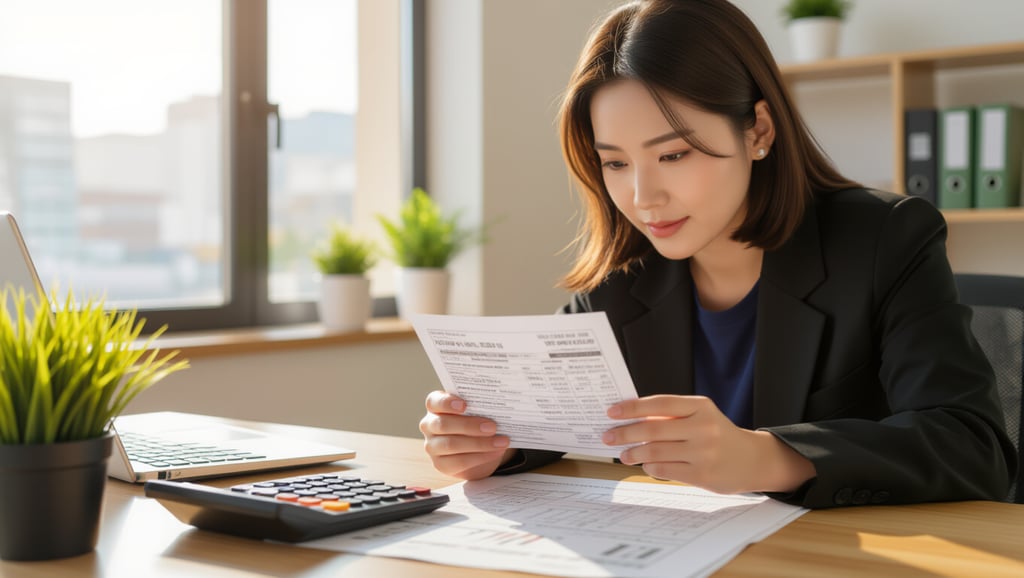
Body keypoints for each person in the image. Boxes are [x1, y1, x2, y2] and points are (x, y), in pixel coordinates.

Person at [419, 0, 1017, 508]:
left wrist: (769, 457)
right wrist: (491, 443)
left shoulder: (886, 239)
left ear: (757, 130)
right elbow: (553, 419)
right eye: (616, 162)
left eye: (674, 154)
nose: (641, 197)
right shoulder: (622, 278)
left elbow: (974, 448)